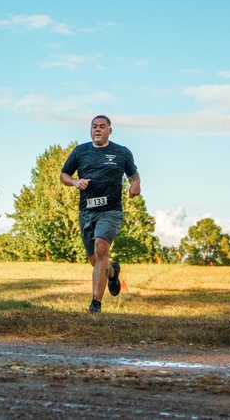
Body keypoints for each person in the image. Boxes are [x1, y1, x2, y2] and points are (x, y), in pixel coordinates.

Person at [60, 115, 140, 313]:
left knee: (101, 248)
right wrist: (75, 182)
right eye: (94, 126)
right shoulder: (81, 151)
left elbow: (133, 174)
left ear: (109, 131)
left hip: (110, 210)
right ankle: (112, 273)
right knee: (95, 260)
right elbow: (64, 175)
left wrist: (135, 185)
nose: (97, 130)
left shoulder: (121, 152)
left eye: (102, 127)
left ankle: (95, 304)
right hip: (86, 211)